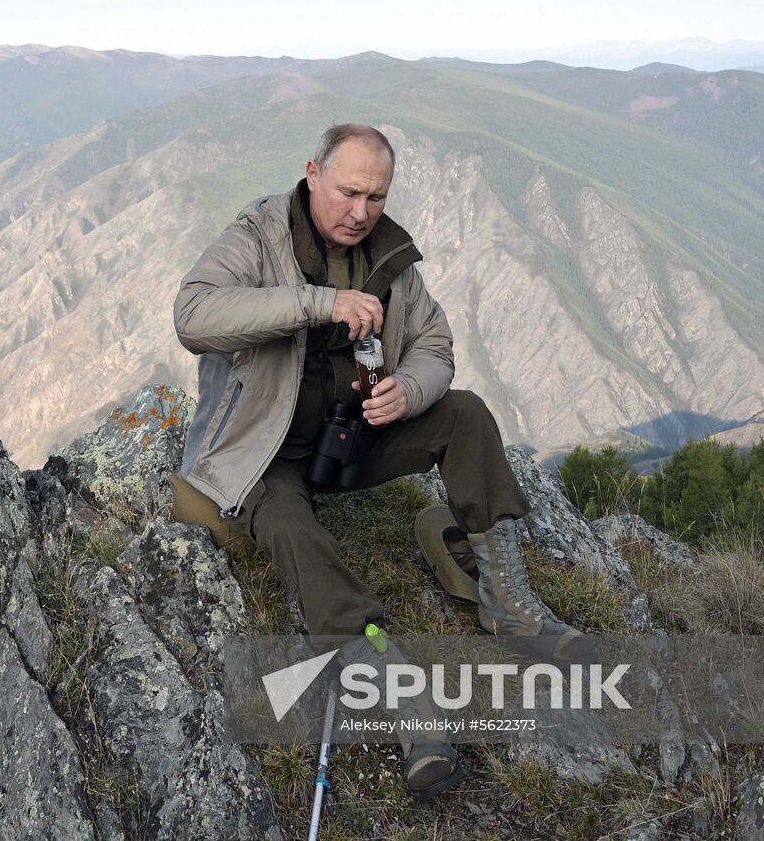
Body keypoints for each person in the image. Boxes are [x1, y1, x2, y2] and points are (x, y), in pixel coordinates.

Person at [171, 123, 586, 802]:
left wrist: (410, 389)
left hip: (350, 439)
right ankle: (397, 688)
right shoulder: (260, 234)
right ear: (312, 174)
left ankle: (508, 604)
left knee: (467, 412)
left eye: (375, 194)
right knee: (288, 526)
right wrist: (319, 304)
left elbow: (435, 343)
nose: (361, 210)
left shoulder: (386, 256)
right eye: (347, 191)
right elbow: (193, 313)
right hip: (260, 451)